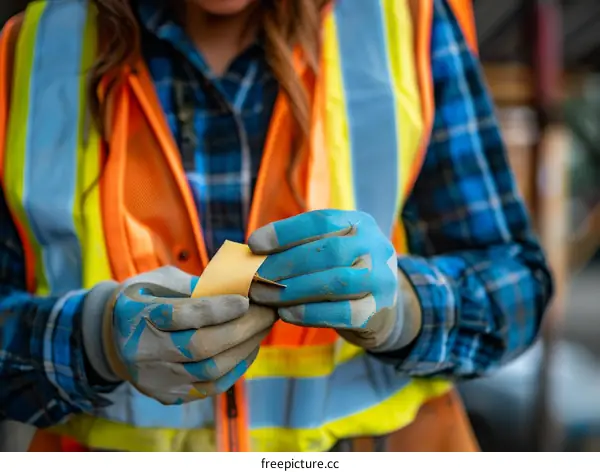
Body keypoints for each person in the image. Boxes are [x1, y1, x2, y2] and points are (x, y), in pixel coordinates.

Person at [0, 0, 553, 453]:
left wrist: (407, 307)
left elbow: (517, 284)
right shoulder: (31, 52)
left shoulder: (407, 26)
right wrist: (93, 340)